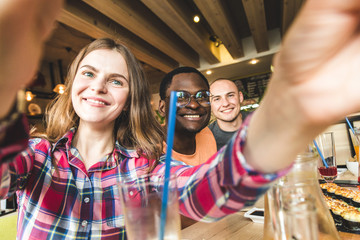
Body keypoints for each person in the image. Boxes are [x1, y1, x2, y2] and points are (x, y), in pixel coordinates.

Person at [2, 0, 360, 238]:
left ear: (128, 100)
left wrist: (286, 113)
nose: (98, 87)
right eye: (88, 74)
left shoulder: (144, 167)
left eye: (116, 81)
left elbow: (213, 188)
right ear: (73, 83)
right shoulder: (37, 154)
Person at [158, 67, 217, 167]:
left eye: (202, 96)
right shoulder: (148, 153)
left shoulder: (207, 134)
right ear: (162, 107)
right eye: (181, 97)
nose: (194, 105)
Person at [209, 78, 249, 150]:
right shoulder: (205, 140)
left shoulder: (263, 122)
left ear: (240, 97)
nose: (225, 103)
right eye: (217, 99)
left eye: (230, 95)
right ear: (209, 105)